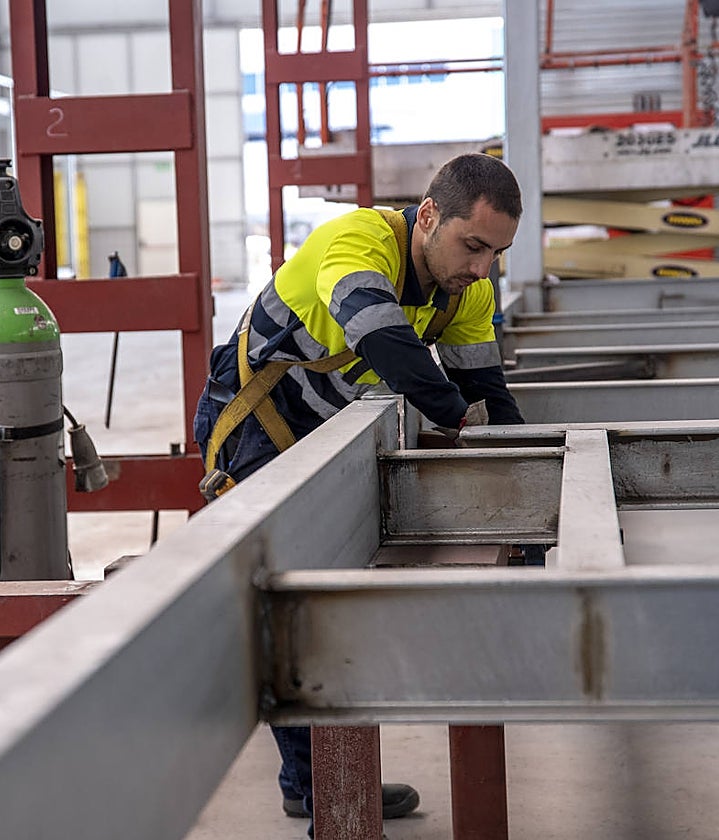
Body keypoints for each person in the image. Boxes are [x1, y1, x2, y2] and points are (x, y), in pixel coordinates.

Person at [192, 152, 530, 832]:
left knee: (324, 610)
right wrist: (458, 418)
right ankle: (326, 796)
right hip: (257, 431)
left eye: (497, 253)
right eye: (473, 246)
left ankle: (314, 783)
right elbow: (385, 343)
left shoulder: (468, 290)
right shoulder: (354, 242)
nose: (482, 268)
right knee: (291, 616)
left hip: (330, 436)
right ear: (428, 215)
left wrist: (534, 479)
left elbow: (487, 393)